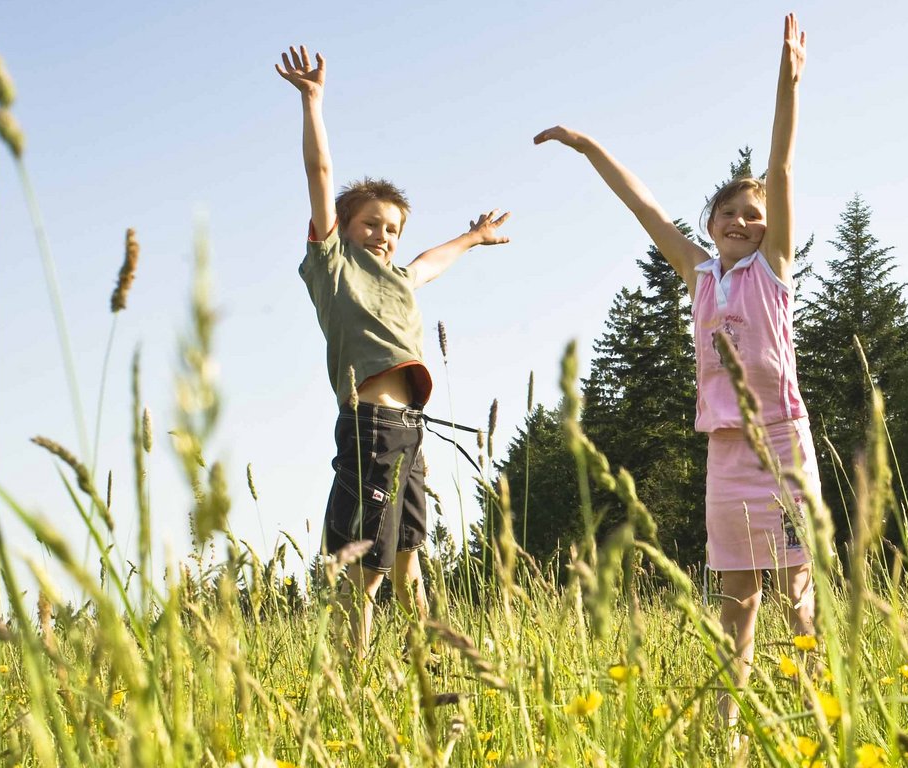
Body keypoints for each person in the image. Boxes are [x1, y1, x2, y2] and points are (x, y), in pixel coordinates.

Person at [535, 14, 814, 727]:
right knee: (738, 594)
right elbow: (643, 205)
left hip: (781, 440)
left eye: (755, 215)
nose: (744, 221)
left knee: (796, 589)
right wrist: (586, 143)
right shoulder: (698, 274)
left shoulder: (771, 270)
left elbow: (780, 168)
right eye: (730, 212)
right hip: (725, 449)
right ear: (712, 220)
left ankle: (817, 710)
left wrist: (788, 82)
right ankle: (729, 722)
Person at [276, 45, 512, 649]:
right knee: (368, 568)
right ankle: (353, 677)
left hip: (410, 429)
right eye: (371, 224)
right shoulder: (333, 267)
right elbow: (320, 176)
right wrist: (313, 103)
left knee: (409, 562)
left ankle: (426, 668)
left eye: (392, 229)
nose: (383, 236)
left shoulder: (400, 277)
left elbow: (432, 261)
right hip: (371, 428)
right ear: (344, 228)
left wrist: (476, 237)